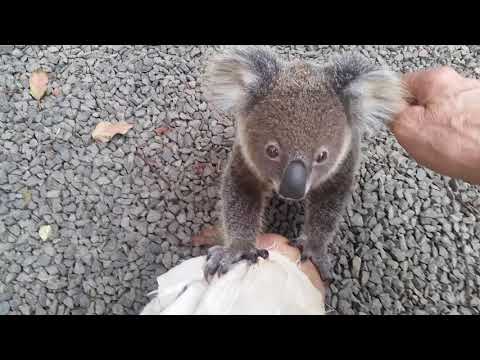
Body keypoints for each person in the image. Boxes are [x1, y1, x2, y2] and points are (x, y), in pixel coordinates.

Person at [142, 66, 480, 315]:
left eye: (320, 158)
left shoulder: (344, 139)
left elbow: (332, 195)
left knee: (329, 188)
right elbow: (239, 188)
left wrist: (316, 241)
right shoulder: (251, 121)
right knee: (246, 183)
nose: (295, 186)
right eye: (273, 151)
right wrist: (240, 243)